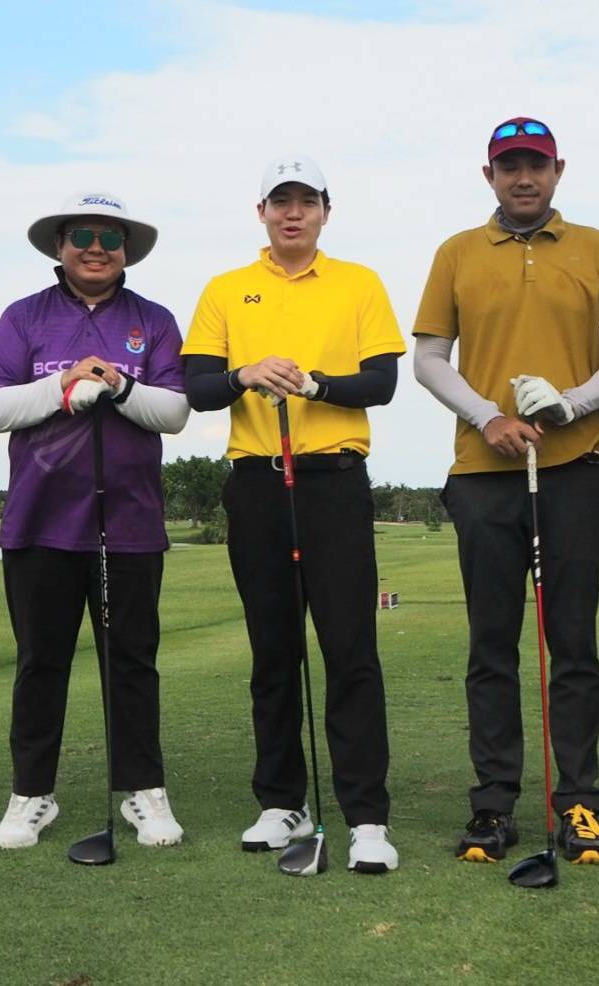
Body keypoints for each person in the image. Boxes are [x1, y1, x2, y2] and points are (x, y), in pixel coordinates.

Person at [414, 117, 599, 865]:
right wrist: (489, 416)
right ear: (489, 176)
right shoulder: (456, 251)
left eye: (536, 164)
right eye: (509, 166)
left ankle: (579, 802)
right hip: (484, 471)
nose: (524, 177)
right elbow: (430, 358)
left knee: (572, 644)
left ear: (558, 169)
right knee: (491, 646)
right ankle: (493, 804)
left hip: (572, 467)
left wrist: (569, 404)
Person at [181, 155, 405, 873]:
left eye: (306, 201)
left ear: (324, 212)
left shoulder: (358, 282)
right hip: (256, 483)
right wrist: (244, 373)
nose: (293, 213)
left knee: (350, 649)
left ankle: (365, 815)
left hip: (333, 482)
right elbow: (196, 386)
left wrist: (314, 384)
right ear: (262, 213)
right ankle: (282, 802)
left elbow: (381, 381)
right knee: (273, 651)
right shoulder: (226, 289)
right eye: (280, 202)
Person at [0, 191, 190, 850]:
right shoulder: (24, 317)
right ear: (60, 245)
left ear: (126, 250)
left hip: (129, 523)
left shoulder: (152, 320)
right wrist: (62, 385)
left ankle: (143, 791)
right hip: (39, 521)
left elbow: (174, 412)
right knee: (40, 664)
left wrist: (119, 387)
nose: (97, 248)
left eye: (110, 237)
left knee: (132, 663)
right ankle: (31, 795)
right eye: (83, 236)